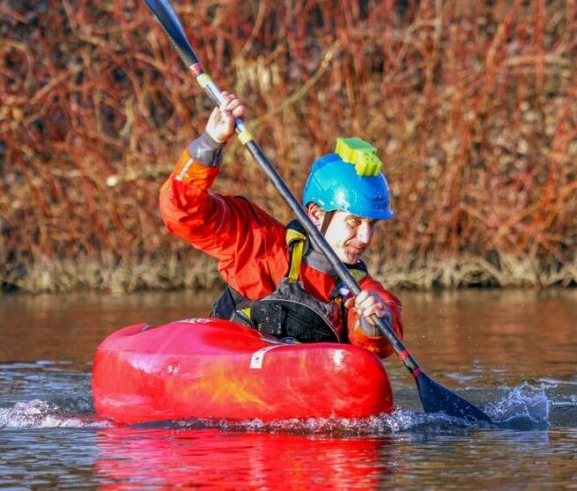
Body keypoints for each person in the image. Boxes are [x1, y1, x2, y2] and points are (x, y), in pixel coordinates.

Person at [159, 92, 403, 358]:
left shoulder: (362, 292)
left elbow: (378, 339)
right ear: (316, 214)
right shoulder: (258, 244)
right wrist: (210, 143)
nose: (365, 237)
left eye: (372, 224)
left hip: (298, 391)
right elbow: (181, 211)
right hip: (228, 376)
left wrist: (374, 323)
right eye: (354, 222)